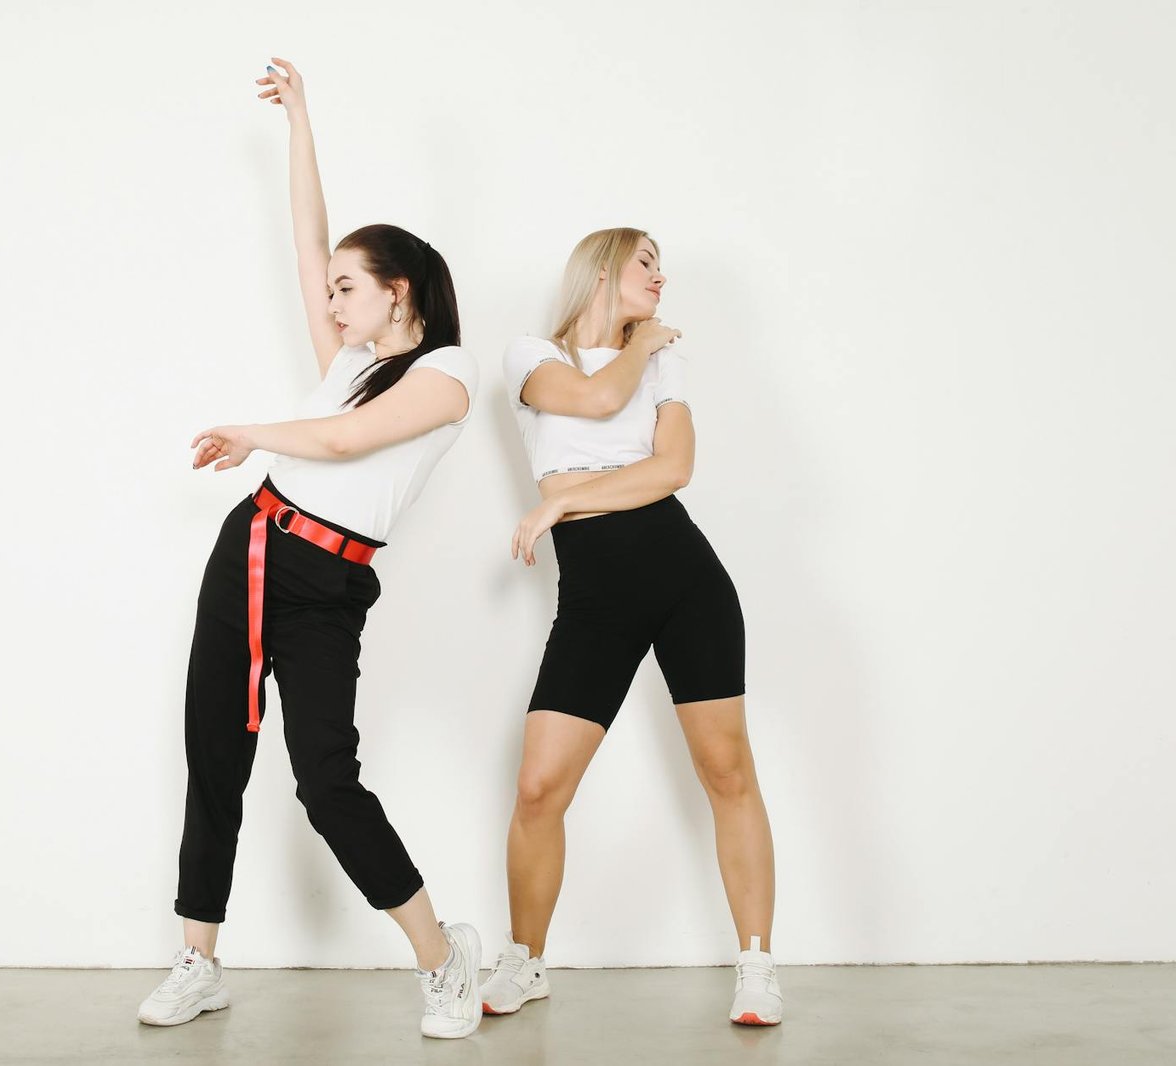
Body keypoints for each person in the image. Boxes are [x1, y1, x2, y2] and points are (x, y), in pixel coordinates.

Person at [136, 58, 483, 1039]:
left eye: (347, 288)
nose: (329, 302)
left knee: (327, 778)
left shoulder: (446, 377)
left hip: (327, 580)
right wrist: (300, 122)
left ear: (397, 292)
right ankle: (199, 959)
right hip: (248, 544)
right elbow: (304, 241)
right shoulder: (346, 359)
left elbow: (342, 442)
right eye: (328, 291)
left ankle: (442, 955)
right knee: (215, 756)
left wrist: (252, 431)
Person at [483, 227, 782, 1026]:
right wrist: (641, 344)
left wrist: (564, 498)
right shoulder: (529, 356)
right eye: (647, 262)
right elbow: (595, 400)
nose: (662, 277)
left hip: (685, 576)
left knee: (728, 774)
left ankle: (756, 965)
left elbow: (674, 469)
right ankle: (526, 959)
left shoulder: (663, 363)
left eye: (662, 267)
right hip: (595, 597)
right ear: (605, 269)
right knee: (539, 787)